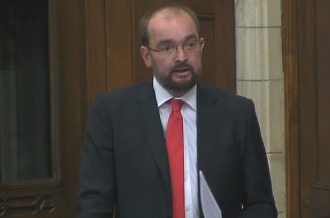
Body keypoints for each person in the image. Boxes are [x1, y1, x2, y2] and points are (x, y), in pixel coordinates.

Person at [76, 2, 277, 218]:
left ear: (201, 46)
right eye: (167, 48)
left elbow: (262, 207)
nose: (181, 57)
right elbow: (93, 207)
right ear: (146, 56)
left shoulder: (237, 113)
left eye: (190, 44)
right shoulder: (112, 114)